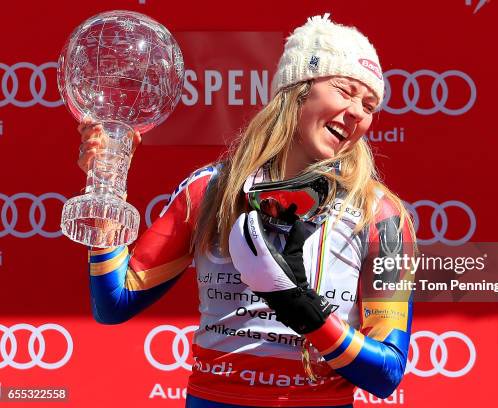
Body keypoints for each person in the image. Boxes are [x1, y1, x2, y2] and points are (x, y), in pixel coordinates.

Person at [78, 14, 416, 408]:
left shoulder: (382, 215)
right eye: (344, 90)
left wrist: (304, 309)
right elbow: (114, 303)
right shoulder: (211, 190)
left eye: (370, 104)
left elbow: (386, 373)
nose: (358, 112)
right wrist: (106, 187)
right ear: (297, 90)